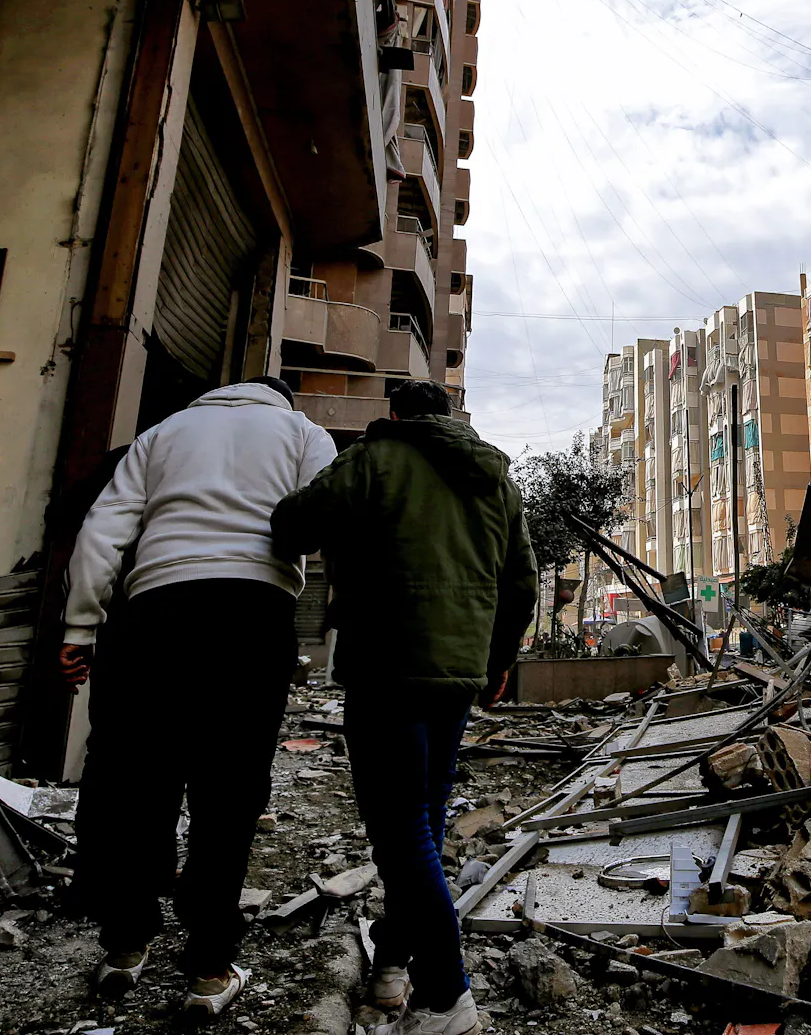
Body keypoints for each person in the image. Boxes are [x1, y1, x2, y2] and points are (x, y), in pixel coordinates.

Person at [60, 375, 337, 1016]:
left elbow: (103, 528)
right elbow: (332, 515)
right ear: (282, 402)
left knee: (142, 782)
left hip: (153, 610)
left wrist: (80, 625)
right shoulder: (302, 433)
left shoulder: (162, 433)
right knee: (230, 792)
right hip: (252, 613)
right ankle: (209, 966)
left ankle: (126, 945)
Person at [271, 380, 537, 1035]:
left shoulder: (374, 457)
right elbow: (523, 581)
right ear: (449, 418)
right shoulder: (494, 477)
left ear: (394, 414)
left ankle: (448, 995)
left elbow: (293, 524)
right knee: (417, 824)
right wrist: (498, 659)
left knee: (403, 832)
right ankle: (392, 962)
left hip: (385, 665)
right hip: (456, 675)